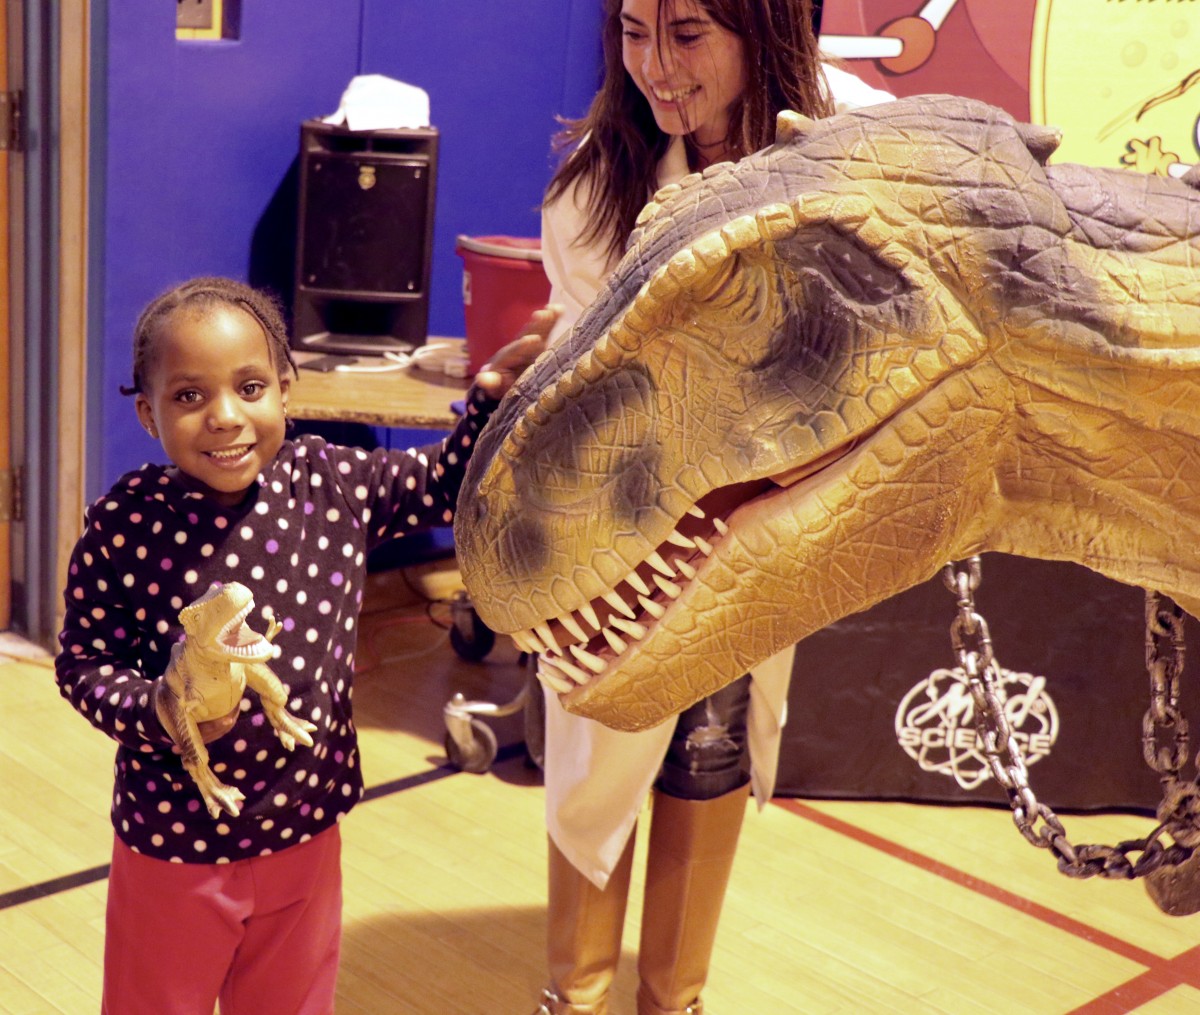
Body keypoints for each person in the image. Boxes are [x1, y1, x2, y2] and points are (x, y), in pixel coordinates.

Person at [532, 3, 894, 1013]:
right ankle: (573, 993)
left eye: (686, 34)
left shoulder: (857, 142)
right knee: (597, 768)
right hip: (625, 534)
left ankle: (674, 999)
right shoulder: (594, 193)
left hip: (759, 531)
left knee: (712, 739)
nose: (655, 66)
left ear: (763, 26)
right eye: (634, 31)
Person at [54, 276, 547, 1015]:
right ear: (147, 413)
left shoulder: (331, 481)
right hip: (173, 845)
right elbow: (84, 660)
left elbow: (447, 481)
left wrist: (493, 400)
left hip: (305, 830)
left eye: (250, 387)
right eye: (189, 397)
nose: (225, 417)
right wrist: (153, 710)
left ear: (286, 388)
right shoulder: (123, 522)